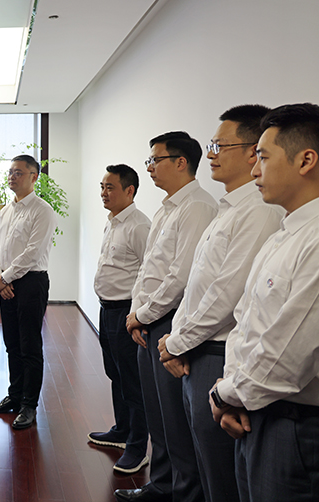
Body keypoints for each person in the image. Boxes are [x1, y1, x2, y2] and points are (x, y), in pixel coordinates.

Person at [157, 106, 282, 502]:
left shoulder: (260, 211)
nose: (210, 154)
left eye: (219, 146)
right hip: (195, 347)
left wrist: (177, 342)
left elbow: (227, 294)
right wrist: (176, 338)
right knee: (200, 462)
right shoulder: (229, 208)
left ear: (252, 151)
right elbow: (197, 285)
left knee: (219, 474)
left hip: (215, 351)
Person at [211, 103, 319, 502]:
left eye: (264, 157)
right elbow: (245, 322)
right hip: (251, 408)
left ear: (305, 160)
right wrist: (232, 392)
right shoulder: (283, 235)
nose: (255, 170)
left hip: (294, 423)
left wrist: (224, 395)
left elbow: (290, 354)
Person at [118, 132, 217, 502]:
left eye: (155, 160)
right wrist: (137, 313)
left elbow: (181, 276)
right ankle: (161, 486)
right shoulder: (165, 208)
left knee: (175, 420)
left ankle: (183, 491)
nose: (149, 168)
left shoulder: (198, 207)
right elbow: (148, 270)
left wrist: (143, 314)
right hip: (148, 320)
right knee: (158, 415)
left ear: (180, 162)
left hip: (169, 320)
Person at [0, 154, 57, 430]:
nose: (12, 177)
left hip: (31, 283)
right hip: (7, 283)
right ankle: (14, 396)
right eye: (10, 172)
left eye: (18, 172)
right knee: (12, 343)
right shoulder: (7, 210)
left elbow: (32, 253)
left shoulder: (42, 210)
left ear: (33, 177)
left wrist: (4, 278)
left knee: (30, 346)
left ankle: (29, 405)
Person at [89, 164, 151, 474]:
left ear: (130, 190)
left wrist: (138, 316)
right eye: (102, 187)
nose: (103, 193)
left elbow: (150, 274)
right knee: (115, 372)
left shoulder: (139, 226)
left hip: (127, 311)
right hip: (107, 309)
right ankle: (122, 430)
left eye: (110, 187)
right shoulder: (113, 222)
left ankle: (138, 447)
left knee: (132, 380)